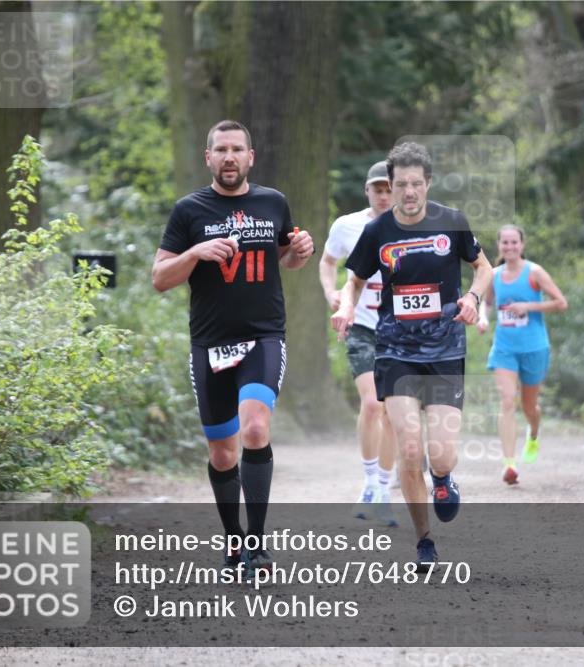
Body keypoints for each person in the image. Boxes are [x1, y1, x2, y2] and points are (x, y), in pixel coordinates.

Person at [151, 120, 315, 573]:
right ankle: (234, 540)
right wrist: (194, 254)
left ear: (250, 157)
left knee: (256, 429)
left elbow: (287, 256)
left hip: (263, 336)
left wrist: (299, 250)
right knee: (223, 453)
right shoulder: (189, 211)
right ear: (208, 158)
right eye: (220, 149)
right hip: (210, 344)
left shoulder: (272, 202)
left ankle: (258, 546)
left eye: (236, 149)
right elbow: (160, 278)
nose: (228, 157)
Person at [331, 142, 493, 570]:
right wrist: (347, 305)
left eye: (415, 184)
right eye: (399, 184)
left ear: (428, 183)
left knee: (440, 454)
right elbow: (355, 279)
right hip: (395, 349)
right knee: (407, 449)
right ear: (391, 184)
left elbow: (484, 267)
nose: (407, 192)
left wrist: (474, 298)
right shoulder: (377, 231)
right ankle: (424, 541)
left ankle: (442, 478)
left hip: (444, 348)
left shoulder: (451, 222)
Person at [319, 161, 398, 525]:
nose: (383, 196)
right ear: (367, 191)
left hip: (401, 330)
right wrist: (331, 292)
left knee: (392, 412)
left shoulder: (411, 226)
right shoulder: (347, 225)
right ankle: (368, 483)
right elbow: (328, 260)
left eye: (388, 189)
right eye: (377, 190)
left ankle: (385, 487)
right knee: (371, 405)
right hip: (362, 326)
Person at [477, 224, 567, 485]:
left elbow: (561, 303)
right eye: (505, 243)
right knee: (507, 400)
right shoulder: (493, 274)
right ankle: (509, 464)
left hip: (534, 347)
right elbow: (489, 302)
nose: (509, 247)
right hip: (504, 347)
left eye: (514, 242)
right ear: (499, 246)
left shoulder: (534, 272)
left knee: (529, 407)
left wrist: (529, 305)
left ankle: (534, 432)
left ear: (522, 245)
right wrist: (483, 318)